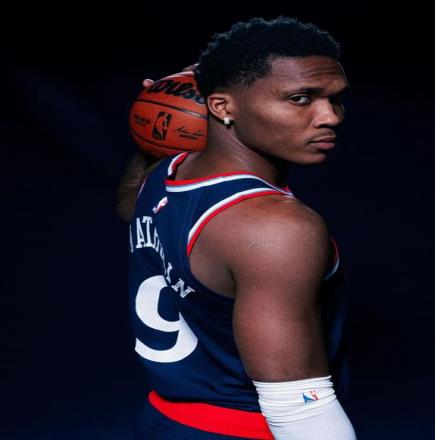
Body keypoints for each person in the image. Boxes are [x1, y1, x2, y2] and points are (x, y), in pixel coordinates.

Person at [117, 16, 356, 439]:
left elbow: (128, 206)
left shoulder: (165, 175)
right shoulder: (277, 228)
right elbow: (299, 409)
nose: (330, 117)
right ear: (222, 106)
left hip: (164, 420)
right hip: (245, 430)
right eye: (301, 99)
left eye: (336, 99)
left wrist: (156, 121)